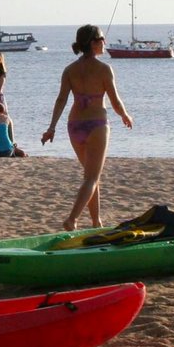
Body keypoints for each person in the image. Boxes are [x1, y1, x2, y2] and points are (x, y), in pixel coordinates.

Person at [41, 23, 134, 229]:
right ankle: (72, 219)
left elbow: (61, 100)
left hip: (74, 125)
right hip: (96, 125)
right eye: (101, 39)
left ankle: (96, 222)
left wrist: (52, 127)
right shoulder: (104, 69)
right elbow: (115, 101)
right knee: (91, 177)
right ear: (92, 43)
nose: (104, 42)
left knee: (90, 176)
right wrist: (125, 115)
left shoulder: (69, 70)